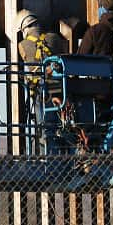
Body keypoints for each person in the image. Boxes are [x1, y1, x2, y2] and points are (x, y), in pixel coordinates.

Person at [15, 9, 68, 154]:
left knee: (43, 127)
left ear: (24, 28)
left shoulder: (23, 45)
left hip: (40, 92)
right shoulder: (55, 38)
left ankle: (47, 158)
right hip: (60, 90)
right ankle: (63, 154)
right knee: (62, 126)